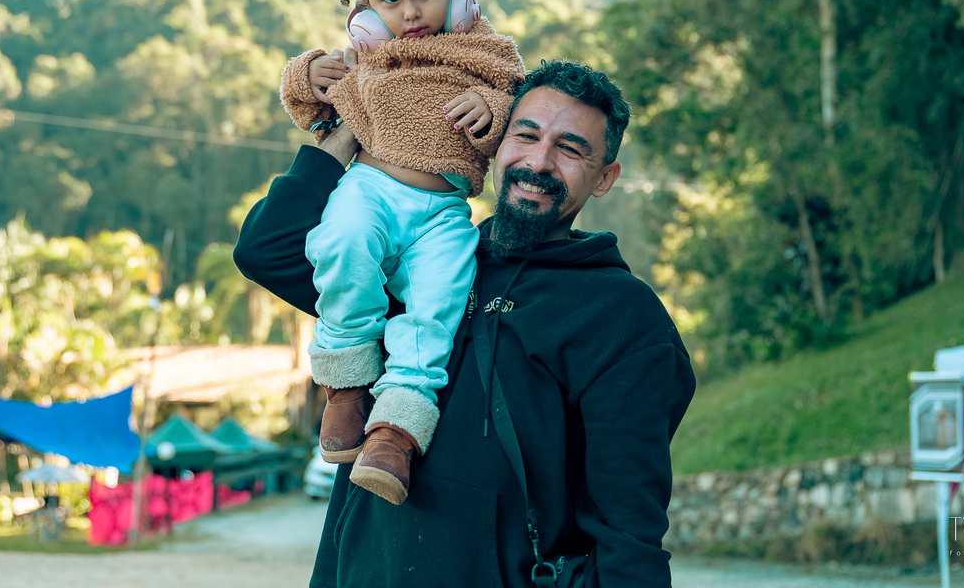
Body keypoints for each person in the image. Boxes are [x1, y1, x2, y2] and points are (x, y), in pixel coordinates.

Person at [235, 60, 696, 587]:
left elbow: (629, 533)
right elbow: (266, 250)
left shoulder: (622, 316)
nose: (539, 162)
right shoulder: (424, 265)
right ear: (495, 142)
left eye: (570, 149)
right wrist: (363, 125)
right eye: (526, 135)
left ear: (605, 178)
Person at [277, 0, 526, 504]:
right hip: (371, 188)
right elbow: (308, 104)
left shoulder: (481, 48)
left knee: (441, 300)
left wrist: (490, 107)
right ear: (366, 9)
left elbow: (514, 94)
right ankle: (346, 384)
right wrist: (307, 72)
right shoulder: (367, 56)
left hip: (444, 211)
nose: (411, 12)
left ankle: (396, 429)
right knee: (341, 244)